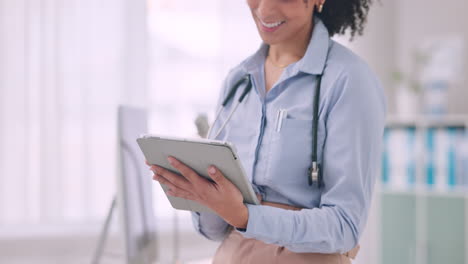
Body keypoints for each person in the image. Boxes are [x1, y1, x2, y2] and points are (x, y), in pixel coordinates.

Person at [148, 0, 386, 263]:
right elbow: (215, 230)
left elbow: (345, 227)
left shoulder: (349, 80)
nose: (264, 10)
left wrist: (246, 216)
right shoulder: (238, 81)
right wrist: (200, 193)